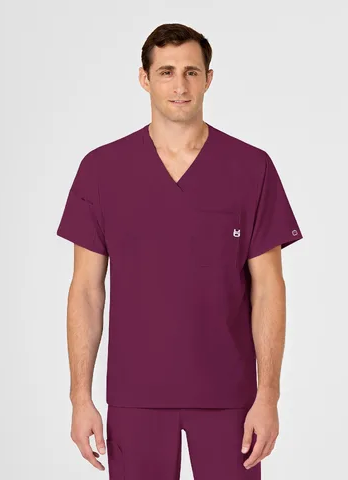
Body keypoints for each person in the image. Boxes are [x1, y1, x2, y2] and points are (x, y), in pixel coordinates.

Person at [56, 22, 303, 480]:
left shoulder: (251, 167)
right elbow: (86, 290)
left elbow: (269, 288)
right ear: (144, 78)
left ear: (209, 79)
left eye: (191, 72)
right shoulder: (102, 169)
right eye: (166, 72)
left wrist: (268, 396)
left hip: (230, 396)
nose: (180, 85)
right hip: (135, 395)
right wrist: (80, 398)